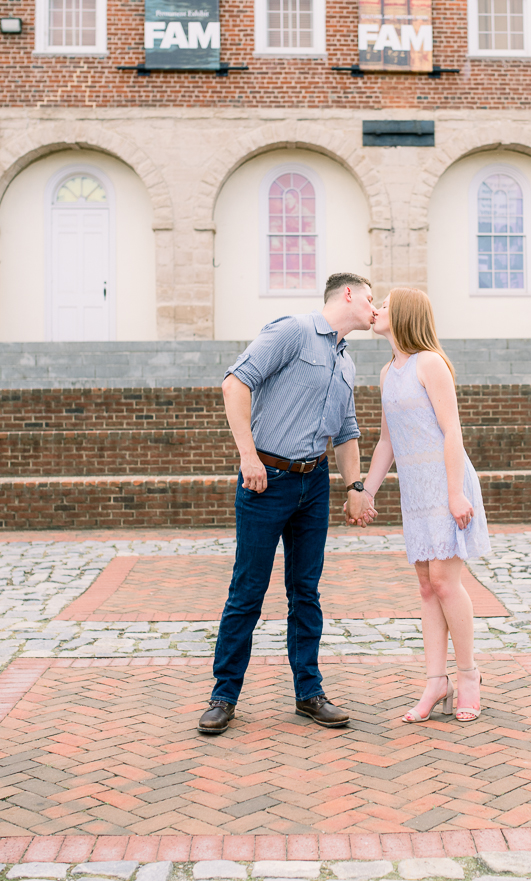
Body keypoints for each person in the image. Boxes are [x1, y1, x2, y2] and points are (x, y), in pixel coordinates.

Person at [197, 273, 378, 735]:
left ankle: (309, 694)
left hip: (313, 483)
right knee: (248, 592)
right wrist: (247, 456)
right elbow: (235, 383)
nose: (376, 308)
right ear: (349, 294)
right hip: (266, 482)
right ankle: (224, 696)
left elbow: (348, 431)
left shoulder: (347, 362)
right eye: (371, 298)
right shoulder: (292, 331)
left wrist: (355, 489)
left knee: (306, 592)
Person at [355, 288, 491, 724]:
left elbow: (453, 431)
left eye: (385, 307)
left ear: (405, 315)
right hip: (415, 489)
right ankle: (436, 681)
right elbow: (386, 441)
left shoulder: (430, 364)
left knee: (446, 582)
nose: (375, 311)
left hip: (446, 481)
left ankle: (468, 676)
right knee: (426, 587)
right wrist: (367, 491)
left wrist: (455, 493)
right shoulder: (386, 374)